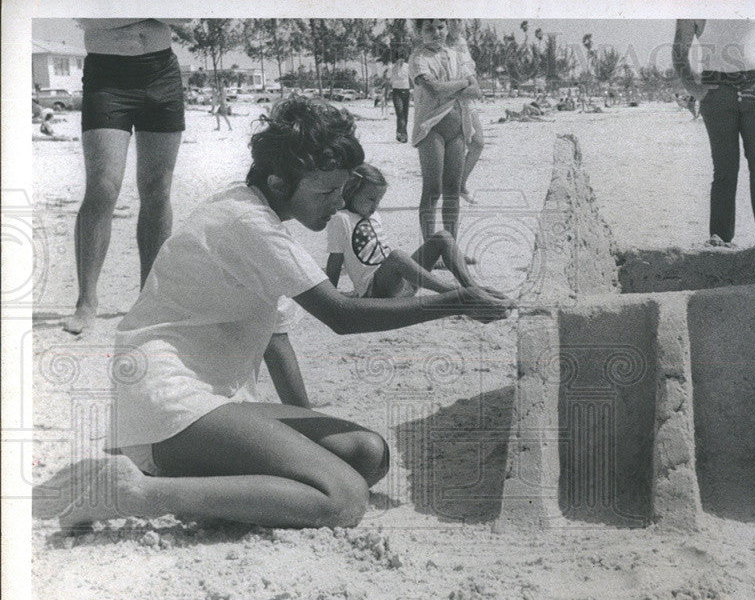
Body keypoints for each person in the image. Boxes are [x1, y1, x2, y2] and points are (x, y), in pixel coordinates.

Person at [53, 98, 512, 532]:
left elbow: (277, 340)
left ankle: (218, 495)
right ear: (278, 182)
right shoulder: (251, 225)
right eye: (326, 191)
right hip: (165, 401)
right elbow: (341, 314)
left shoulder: (254, 212)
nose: (337, 203)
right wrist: (457, 302)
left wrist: (304, 435)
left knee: (367, 454)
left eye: (344, 190)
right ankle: (135, 492)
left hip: (214, 401)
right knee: (345, 497)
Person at [64, 18, 186, 335]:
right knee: (103, 187)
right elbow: (84, 16)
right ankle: (86, 302)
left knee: (157, 189)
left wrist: (127, 7)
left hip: (162, 72)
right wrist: (151, 8)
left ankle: (149, 299)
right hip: (107, 76)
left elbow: (185, 16)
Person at [673, 19, 755, 246]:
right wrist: (693, 87)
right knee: (725, 169)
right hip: (716, 91)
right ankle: (721, 241)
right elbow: (679, 49)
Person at [326, 164, 503, 300]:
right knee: (396, 257)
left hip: (400, 284)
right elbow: (335, 262)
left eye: (379, 201)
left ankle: (472, 287)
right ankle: (455, 292)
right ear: (352, 191)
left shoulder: (375, 216)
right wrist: (332, 298)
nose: (375, 206)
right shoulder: (341, 219)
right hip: (375, 292)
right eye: (371, 199)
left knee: (443, 237)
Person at [409, 19, 480, 245]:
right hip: (431, 128)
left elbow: (476, 91)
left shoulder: (456, 55)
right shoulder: (419, 58)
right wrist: (462, 84)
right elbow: (435, 90)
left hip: (456, 129)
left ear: (447, 28)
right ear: (419, 32)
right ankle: (430, 247)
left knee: (452, 189)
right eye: (429, 28)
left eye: (440, 27)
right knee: (433, 188)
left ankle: (451, 247)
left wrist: (456, 86)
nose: (436, 32)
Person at [447, 19, 485, 204]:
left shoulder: (461, 41)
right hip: (449, 102)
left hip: (466, 99)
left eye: (459, 21)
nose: (457, 25)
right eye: (453, 21)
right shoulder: (437, 41)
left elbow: (467, 69)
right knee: (454, 148)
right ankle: (451, 189)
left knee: (477, 143)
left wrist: (472, 85)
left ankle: (460, 184)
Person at [388, 50, 411, 143]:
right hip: (396, 91)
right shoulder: (392, 67)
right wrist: (393, 68)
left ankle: (401, 133)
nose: (401, 62)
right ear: (396, 59)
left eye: (402, 60)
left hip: (406, 91)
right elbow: (389, 78)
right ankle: (402, 134)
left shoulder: (408, 67)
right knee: (400, 113)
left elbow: (412, 77)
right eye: (399, 60)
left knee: (405, 114)